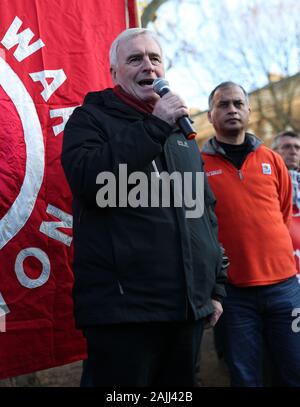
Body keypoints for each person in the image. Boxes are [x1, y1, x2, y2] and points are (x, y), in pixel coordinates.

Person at [61, 28, 227, 387]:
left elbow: (204, 213)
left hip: (186, 312)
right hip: (125, 315)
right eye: (135, 59)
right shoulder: (89, 120)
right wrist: (155, 126)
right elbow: (91, 181)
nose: (147, 66)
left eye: (154, 58)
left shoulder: (181, 133)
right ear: (114, 72)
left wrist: (215, 288)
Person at [201, 81, 300, 387]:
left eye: (238, 104)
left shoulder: (272, 160)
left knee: (294, 370)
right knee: (245, 377)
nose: (232, 109)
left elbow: (283, 212)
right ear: (210, 115)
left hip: (285, 289)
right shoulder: (196, 167)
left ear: (249, 111)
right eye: (223, 104)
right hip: (234, 295)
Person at [272, 131, 300, 281]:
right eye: (287, 147)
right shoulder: (267, 182)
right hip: (282, 268)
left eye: (297, 147)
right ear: (274, 152)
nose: (293, 151)